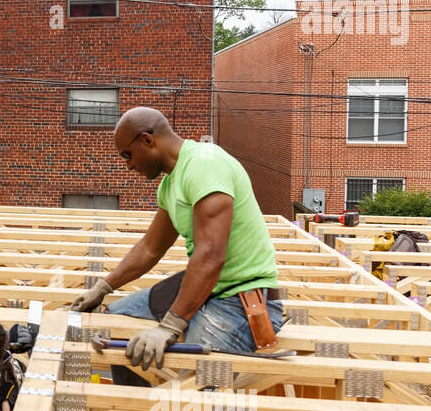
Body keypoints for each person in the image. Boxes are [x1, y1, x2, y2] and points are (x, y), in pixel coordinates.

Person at [70, 107, 284, 371]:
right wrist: (103, 287)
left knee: (189, 395)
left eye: (128, 154)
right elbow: (150, 248)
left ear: (147, 140)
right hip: (210, 289)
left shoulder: (205, 164)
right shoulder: (170, 185)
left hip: (239, 300)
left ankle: (164, 410)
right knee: (116, 322)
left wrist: (170, 326)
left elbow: (211, 255)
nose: (128, 165)